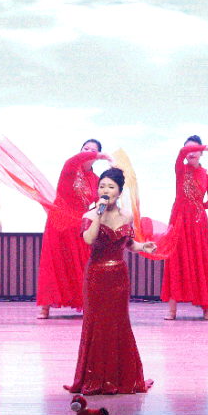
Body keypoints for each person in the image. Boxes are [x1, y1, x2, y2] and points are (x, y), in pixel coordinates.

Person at [65, 168, 155, 395]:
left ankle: (119, 378)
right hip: (96, 276)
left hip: (119, 277)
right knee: (97, 324)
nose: (105, 190)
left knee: (118, 323)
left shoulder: (127, 216)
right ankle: (95, 378)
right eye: (102, 186)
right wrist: (99, 212)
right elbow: (89, 239)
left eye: (111, 187)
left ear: (119, 192)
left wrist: (143, 247)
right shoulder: (90, 216)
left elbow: (129, 244)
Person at [37, 140, 113, 318]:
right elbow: (77, 159)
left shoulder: (96, 180)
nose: (88, 152)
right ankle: (45, 308)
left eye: (93, 151)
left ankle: (86, 304)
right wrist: (104, 156)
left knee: (83, 264)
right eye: (86, 149)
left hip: (80, 225)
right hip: (59, 223)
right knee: (53, 264)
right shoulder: (70, 167)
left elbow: (100, 203)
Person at [161, 136, 208, 320]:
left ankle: (207, 308)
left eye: (195, 150)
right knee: (175, 261)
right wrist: (205, 146)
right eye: (188, 150)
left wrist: (197, 208)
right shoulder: (180, 169)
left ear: (201, 154)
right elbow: (181, 152)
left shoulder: (207, 174)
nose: (191, 153)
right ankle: (172, 310)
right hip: (178, 221)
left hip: (198, 223)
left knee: (202, 260)